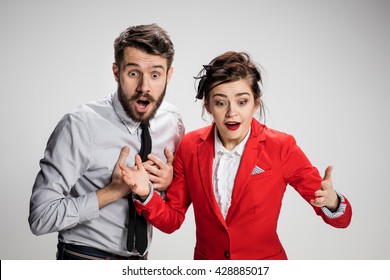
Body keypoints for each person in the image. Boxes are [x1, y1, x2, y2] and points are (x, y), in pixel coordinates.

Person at [119, 51, 352, 260]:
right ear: (208, 106)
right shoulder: (190, 146)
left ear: (255, 104)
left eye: (242, 101)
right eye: (221, 103)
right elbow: (172, 220)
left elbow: (342, 219)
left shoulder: (281, 146)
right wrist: (145, 193)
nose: (232, 113)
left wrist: (332, 201)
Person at [28, 23, 184, 260]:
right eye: (133, 73)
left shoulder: (173, 123)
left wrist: (170, 181)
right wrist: (111, 192)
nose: (144, 87)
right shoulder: (80, 125)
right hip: (84, 258)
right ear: (116, 72)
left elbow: (171, 207)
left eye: (155, 75)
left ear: (168, 75)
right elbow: (41, 217)